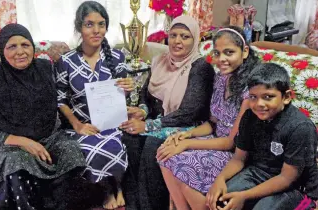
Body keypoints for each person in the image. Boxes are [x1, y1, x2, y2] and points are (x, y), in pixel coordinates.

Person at [0, 23, 99, 210]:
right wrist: (23, 141)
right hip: (12, 145)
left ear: (33, 47)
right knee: (16, 165)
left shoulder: (46, 70)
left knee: (71, 152)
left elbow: (69, 96)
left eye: (25, 45)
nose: (20, 52)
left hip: (50, 136)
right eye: (12, 46)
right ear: (2, 50)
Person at [156, 26, 260, 210]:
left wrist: (188, 144)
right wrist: (187, 135)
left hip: (234, 152)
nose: (222, 59)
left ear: (244, 52)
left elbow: (230, 142)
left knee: (181, 166)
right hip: (214, 139)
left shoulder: (250, 91)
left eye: (229, 52)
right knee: (165, 152)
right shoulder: (220, 78)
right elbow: (213, 123)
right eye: (217, 53)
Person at [120, 15, 216, 210]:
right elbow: (147, 95)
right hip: (159, 120)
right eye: (173, 35)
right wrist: (142, 111)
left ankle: (152, 206)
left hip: (187, 125)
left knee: (152, 144)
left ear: (195, 39)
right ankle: (135, 203)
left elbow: (191, 111)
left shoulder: (201, 68)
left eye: (185, 36)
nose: (177, 41)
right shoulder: (159, 61)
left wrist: (147, 125)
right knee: (129, 137)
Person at [207, 63, 318, 210]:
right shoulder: (249, 117)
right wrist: (219, 180)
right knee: (220, 201)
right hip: (257, 173)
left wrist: (244, 196)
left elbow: (287, 178)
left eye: (268, 97)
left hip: (295, 187)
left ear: (286, 97)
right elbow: (238, 159)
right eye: (253, 97)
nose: (259, 104)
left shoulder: (300, 127)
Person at [55, 1, 133, 209]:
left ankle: (117, 186)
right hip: (82, 125)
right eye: (89, 24)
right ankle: (108, 190)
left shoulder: (117, 57)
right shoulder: (67, 61)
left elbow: (123, 96)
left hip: (110, 121)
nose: (97, 30)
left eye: (101, 24)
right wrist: (77, 125)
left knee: (115, 142)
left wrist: (128, 88)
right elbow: (60, 99)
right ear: (79, 27)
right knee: (90, 148)